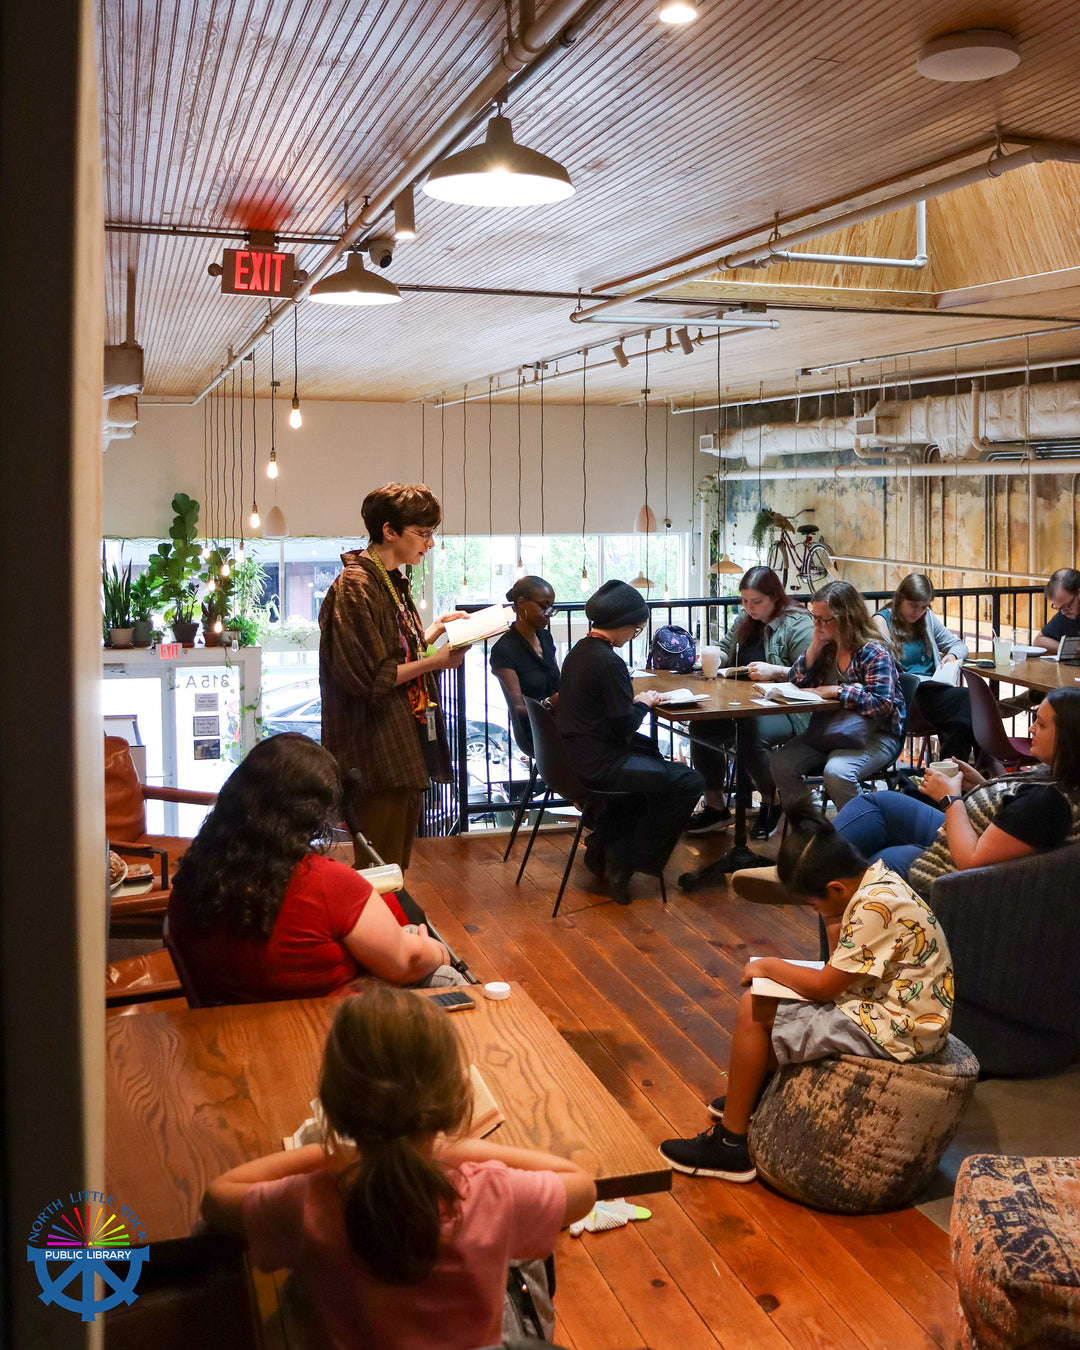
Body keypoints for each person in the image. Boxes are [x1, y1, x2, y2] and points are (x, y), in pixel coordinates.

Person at [202, 985, 596, 1350]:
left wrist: (336, 1151)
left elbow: (217, 1198)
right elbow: (581, 1186)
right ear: (456, 1099)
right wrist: (452, 1149)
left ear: (334, 1104)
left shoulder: (309, 1203)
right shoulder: (491, 1192)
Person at [659, 806, 954, 1183]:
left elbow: (823, 985)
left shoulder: (874, 908)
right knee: (774, 1000)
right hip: (896, 1007)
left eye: (814, 905)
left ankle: (730, 1146)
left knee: (754, 1006)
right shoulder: (877, 881)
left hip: (898, 1027)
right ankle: (752, 1098)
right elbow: (838, 963)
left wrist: (768, 964)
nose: (815, 912)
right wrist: (832, 919)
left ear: (835, 888)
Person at [167, 734, 461, 1002]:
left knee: (402, 935)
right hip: (319, 1029)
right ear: (310, 815)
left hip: (227, 1021)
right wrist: (436, 951)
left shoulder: (190, 878)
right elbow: (406, 962)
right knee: (442, 974)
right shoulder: (324, 882)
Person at [319, 482, 468, 870]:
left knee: (393, 865)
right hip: (374, 749)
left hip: (399, 739)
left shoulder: (388, 579)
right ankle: (378, 931)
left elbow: (391, 650)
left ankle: (392, 929)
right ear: (389, 531)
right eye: (423, 534)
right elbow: (370, 678)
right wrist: (436, 661)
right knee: (380, 869)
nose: (429, 544)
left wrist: (434, 630)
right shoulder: (357, 585)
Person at [830, 685, 1080, 896]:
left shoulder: (1048, 804)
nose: (1031, 729)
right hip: (971, 829)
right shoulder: (1062, 777)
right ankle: (815, 867)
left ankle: (814, 876)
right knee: (878, 803)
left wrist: (950, 797)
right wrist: (980, 784)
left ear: (1068, 736)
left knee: (861, 869)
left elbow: (970, 861)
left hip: (959, 862)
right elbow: (1016, 814)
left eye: (1042, 724)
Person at [557, 579, 705, 905]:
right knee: (689, 780)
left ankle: (603, 845)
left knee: (653, 766)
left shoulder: (579, 653)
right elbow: (623, 724)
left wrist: (636, 701)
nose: (633, 634)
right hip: (601, 764)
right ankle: (627, 859)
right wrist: (643, 703)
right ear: (623, 626)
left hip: (575, 757)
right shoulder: (609, 662)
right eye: (636, 629)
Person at [686, 565, 813, 840]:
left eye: (756, 602)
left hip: (787, 706)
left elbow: (810, 673)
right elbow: (726, 645)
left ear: (775, 598)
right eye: (744, 601)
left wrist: (776, 671)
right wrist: (712, 658)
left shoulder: (798, 623)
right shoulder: (745, 619)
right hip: (744, 701)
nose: (749, 608)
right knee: (701, 725)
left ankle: (772, 799)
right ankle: (716, 806)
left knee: (750, 733)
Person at [769, 579, 905, 812]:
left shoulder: (873, 652)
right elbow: (797, 679)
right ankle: (809, 827)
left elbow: (882, 704)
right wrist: (815, 644)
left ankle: (863, 830)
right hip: (831, 731)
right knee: (781, 763)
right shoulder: (827, 647)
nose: (817, 624)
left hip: (876, 735)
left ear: (846, 618)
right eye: (815, 617)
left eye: (824, 619)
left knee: (838, 773)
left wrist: (839, 691)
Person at [872, 573, 975, 762]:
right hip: (905, 695)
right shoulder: (882, 622)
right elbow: (885, 665)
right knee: (965, 702)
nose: (918, 612)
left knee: (961, 719)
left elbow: (959, 646)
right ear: (900, 598)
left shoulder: (927, 618)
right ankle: (960, 769)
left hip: (933, 690)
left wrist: (951, 656)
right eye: (913, 605)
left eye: (923, 607)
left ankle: (951, 771)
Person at [489, 575, 560, 756]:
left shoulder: (545, 637)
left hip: (560, 720)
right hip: (536, 730)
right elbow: (518, 708)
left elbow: (557, 683)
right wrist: (550, 703)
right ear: (521, 603)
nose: (548, 613)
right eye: (544, 606)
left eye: (551, 607)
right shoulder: (504, 650)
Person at [1034, 567, 1080, 653]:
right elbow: (1039, 641)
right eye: (1059, 608)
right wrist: (1070, 649)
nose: (1063, 612)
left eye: (1067, 606)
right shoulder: (1066, 613)